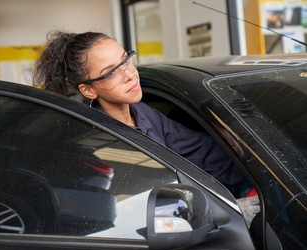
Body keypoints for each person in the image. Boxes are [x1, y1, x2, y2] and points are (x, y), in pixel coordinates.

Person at [33, 31, 259, 226]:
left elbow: (203, 153)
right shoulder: (95, 140)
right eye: (112, 71)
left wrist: (257, 162)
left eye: (126, 60)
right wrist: (223, 210)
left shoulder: (143, 113)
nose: (129, 74)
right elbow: (141, 204)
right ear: (89, 90)